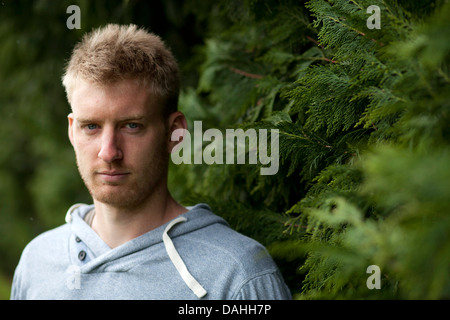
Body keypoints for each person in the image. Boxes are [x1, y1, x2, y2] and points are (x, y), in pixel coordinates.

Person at [10, 24, 291, 300]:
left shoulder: (237, 275)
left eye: (131, 126)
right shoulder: (38, 263)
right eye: (91, 127)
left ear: (175, 132)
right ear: (72, 131)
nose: (109, 152)